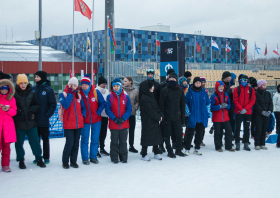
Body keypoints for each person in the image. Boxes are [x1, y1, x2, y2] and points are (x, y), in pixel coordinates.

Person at [13, 74, 45, 169]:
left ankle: (39, 159)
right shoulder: (14, 94)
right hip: (19, 123)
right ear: (18, 83)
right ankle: (21, 160)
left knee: (35, 141)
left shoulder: (32, 93)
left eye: (25, 83)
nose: (23, 85)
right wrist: (18, 110)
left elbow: (37, 105)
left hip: (31, 122)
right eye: (21, 83)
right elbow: (12, 105)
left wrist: (32, 109)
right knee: (19, 143)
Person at [59, 77, 86, 169]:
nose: (73, 87)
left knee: (75, 143)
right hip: (68, 124)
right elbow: (66, 105)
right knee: (69, 143)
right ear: (68, 84)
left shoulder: (79, 96)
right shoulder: (63, 94)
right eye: (71, 85)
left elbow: (83, 108)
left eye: (75, 85)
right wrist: (70, 94)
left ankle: (73, 161)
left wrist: (83, 115)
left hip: (78, 124)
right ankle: (65, 162)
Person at [105, 78, 132, 164]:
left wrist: (123, 118)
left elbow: (129, 109)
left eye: (117, 86)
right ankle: (114, 157)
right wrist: (114, 118)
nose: (116, 88)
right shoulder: (109, 96)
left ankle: (123, 157)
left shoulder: (125, 96)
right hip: (114, 124)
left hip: (124, 124)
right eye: (114, 86)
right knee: (114, 142)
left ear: (120, 86)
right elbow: (107, 109)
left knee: (123, 142)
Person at [79, 74, 105, 165]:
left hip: (96, 120)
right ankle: (85, 158)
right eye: (82, 85)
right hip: (85, 120)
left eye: (86, 85)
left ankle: (93, 157)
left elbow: (102, 103)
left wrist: (98, 112)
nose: (84, 86)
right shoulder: (79, 93)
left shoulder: (95, 92)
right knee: (84, 139)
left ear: (89, 85)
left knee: (95, 139)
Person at [159, 72, 186, 158]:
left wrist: (182, 117)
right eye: (170, 79)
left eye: (173, 79)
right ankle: (169, 151)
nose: (172, 80)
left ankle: (178, 150)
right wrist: (162, 117)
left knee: (179, 134)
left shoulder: (180, 91)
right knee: (167, 135)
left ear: (176, 80)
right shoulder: (164, 90)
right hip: (167, 117)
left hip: (177, 117)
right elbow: (161, 105)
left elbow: (182, 105)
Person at [33, 71, 56, 164]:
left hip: (44, 120)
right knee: (35, 140)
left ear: (42, 77)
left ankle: (46, 157)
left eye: (37, 77)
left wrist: (47, 115)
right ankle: (38, 156)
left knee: (45, 140)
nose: (36, 78)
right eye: (35, 77)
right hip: (34, 120)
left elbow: (53, 104)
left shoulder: (48, 90)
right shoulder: (33, 89)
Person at [183, 77, 210, 156]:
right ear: (194, 83)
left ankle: (197, 148)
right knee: (190, 133)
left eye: (199, 83)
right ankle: (187, 148)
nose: (198, 84)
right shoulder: (189, 92)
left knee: (199, 133)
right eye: (196, 83)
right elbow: (185, 103)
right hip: (192, 116)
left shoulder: (204, 92)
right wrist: (187, 112)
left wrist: (208, 112)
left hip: (201, 116)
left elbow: (208, 103)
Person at [140, 80, 164, 161]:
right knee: (146, 137)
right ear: (148, 88)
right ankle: (144, 154)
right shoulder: (144, 97)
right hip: (147, 121)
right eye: (152, 86)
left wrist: (160, 114)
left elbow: (156, 107)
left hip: (154, 120)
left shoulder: (151, 95)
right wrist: (158, 117)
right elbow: (149, 110)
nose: (153, 88)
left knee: (156, 137)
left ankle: (156, 153)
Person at [233, 74, 256, 151]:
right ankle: (237, 143)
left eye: (245, 80)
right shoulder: (237, 89)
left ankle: (246, 143)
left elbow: (253, 100)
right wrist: (240, 108)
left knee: (246, 128)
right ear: (240, 81)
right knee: (238, 127)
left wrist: (246, 109)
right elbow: (235, 100)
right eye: (242, 80)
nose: (243, 82)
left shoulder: (251, 89)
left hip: (247, 112)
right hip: (238, 111)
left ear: (247, 81)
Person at [210, 81, 235, 152]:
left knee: (229, 131)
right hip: (217, 117)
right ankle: (218, 147)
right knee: (218, 132)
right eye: (220, 87)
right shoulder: (213, 96)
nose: (221, 88)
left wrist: (227, 106)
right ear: (216, 87)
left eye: (222, 86)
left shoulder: (226, 95)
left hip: (225, 117)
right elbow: (212, 107)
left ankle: (228, 146)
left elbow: (229, 104)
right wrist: (219, 106)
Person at [0, 79, 17, 172]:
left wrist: (7, 110)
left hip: (7, 127)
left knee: (6, 147)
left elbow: (14, 112)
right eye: (2, 89)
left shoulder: (12, 99)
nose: (4, 91)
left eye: (6, 89)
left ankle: (5, 165)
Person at [253, 80, 273, 150]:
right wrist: (261, 111)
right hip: (259, 114)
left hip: (267, 115)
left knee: (264, 129)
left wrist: (270, 111)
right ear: (260, 85)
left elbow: (270, 103)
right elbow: (256, 104)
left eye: (265, 85)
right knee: (259, 129)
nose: (264, 86)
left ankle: (262, 143)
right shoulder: (256, 93)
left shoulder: (268, 93)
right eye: (263, 85)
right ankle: (257, 144)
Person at [123, 76, 139, 153]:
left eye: (126, 81)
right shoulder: (121, 90)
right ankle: (123, 145)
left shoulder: (136, 91)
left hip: (132, 114)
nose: (124, 82)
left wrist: (135, 108)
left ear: (130, 82)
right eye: (124, 81)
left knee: (132, 130)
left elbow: (138, 101)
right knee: (123, 131)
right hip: (124, 114)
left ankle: (131, 145)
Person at [96, 76, 110, 156]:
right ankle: (96, 149)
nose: (104, 85)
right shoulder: (96, 91)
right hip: (98, 115)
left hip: (105, 115)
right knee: (97, 133)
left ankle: (102, 148)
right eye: (103, 84)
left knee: (104, 133)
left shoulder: (107, 91)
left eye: (105, 84)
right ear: (99, 84)